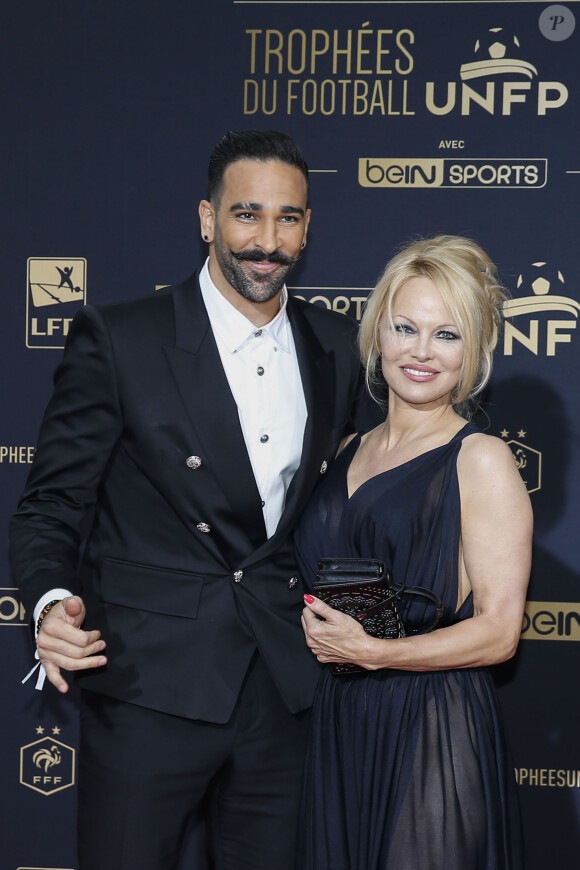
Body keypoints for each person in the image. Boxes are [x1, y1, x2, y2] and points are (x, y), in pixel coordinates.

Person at [10, 130, 370, 870]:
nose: (267, 242)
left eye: (288, 219)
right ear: (206, 219)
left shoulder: (340, 344)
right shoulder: (122, 338)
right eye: (247, 215)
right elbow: (51, 503)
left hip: (285, 689)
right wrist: (48, 604)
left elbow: (347, 509)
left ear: (308, 227)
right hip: (149, 685)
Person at [295, 235, 533, 869]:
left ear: (473, 352)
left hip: (431, 721)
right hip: (341, 718)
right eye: (406, 328)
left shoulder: (480, 458)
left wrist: (377, 654)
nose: (422, 352)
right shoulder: (346, 448)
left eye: (447, 335)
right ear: (378, 336)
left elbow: (499, 633)